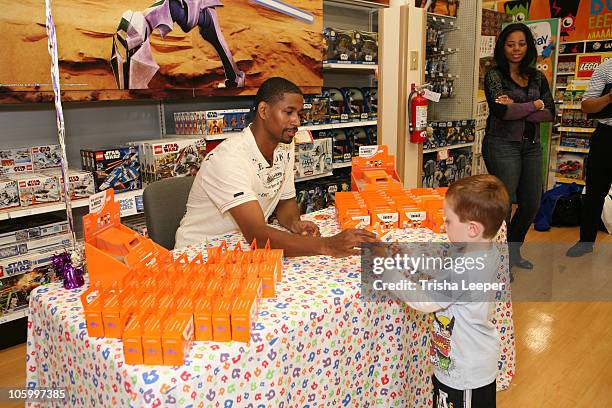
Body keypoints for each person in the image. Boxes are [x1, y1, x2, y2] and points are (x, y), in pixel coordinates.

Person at [175, 77, 377, 256]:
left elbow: (284, 202)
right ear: (263, 110)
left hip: (244, 248)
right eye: (288, 112)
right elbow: (258, 235)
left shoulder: (284, 147)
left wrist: (293, 223)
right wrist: (327, 245)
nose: (296, 121)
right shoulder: (229, 159)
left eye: (299, 114)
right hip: (199, 255)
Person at [381, 175, 509, 408]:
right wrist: (409, 258)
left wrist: (387, 273)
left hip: (466, 374)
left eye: (449, 221)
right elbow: (443, 270)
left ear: (472, 229)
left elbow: (424, 301)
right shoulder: (477, 250)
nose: (443, 225)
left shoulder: (468, 268)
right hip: (456, 362)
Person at [482, 23, 555, 270]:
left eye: (522, 44)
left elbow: (550, 113)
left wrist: (518, 108)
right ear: (502, 46)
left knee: (532, 203)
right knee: (503, 204)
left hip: (532, 146)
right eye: (511, 44)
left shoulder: (537, 76)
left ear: (529, 46)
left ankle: (513, 252)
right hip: (502, 144)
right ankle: (499, 262)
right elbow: (501, 112)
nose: (516, 49)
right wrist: (534, 105)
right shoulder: (494, 75)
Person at [566, 58, 612, 257]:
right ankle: (586, 242)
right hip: (606, 136)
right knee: (594, 192)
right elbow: (586, 106)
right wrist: (609, 97)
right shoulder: (606, 67)